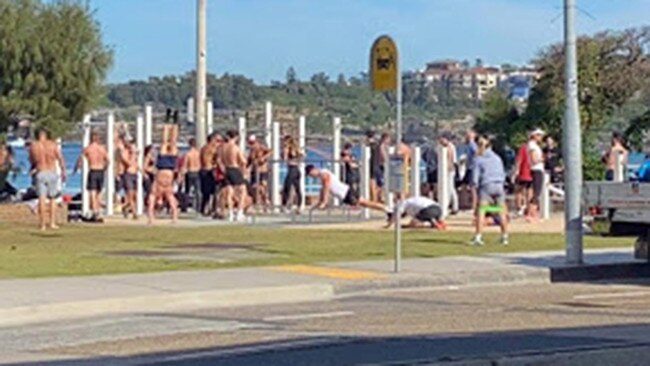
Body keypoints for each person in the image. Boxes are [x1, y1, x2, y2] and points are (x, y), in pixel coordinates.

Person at [470, 136, 508, 246]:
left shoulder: (478, 159)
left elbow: (475, 178)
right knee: (501, 211)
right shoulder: (497, 158)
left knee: (481, 211)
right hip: (499, 186)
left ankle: (478, 237)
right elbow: (502, 173)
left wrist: (474, 188)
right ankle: (504, 236)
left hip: (486, 186)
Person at [305, 164, 388, 213]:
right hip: (344, 195)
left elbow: (326, 186)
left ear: (313, 170)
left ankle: (387, 209)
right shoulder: (321, 177)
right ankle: (387, 210)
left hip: (346, 192)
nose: (311, 176)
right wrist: (317, 204)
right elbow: (323, 191)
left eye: (310, 174)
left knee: (365, 203)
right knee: (366, 204)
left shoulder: (323, 173)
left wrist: (324, 202)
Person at [29, 129, 66, 230]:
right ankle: (52, 222)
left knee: (41, 198)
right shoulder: (52, 145)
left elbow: (32, 160)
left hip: (40, 172)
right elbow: (60, 158)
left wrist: (33, 169)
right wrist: (63, 171)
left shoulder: (34, 146)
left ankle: (42, 224)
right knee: (52, 198)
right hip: (51, 171)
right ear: (46, 135)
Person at [148, 113, 180, 224]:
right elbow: (173, 202)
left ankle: (167, 122)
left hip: (162, 167)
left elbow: (151, 200)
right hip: (169, 169)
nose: (160, 202)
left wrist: (151, 218)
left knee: (165, 143)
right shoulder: (166, 192)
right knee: (172, 143)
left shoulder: (155, 190)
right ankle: (175, 122)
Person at [74, 131, 109, 221]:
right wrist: (104, 168)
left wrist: (76, 168)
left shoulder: (88, 149)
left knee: (92, 193)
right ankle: (98, 211)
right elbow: (108, 161)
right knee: (99, 192)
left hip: (93, 170)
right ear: (98, 139)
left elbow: (80, 159)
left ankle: (95, 212)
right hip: (100, 170)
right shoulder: (102, 149)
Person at [218, 130, 248, 222]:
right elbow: (243, 161)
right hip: (234, 168)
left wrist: (223, 169)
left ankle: (230, 213)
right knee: (243, 191)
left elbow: (219, 160)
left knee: (229, 191)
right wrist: (244, 170)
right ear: (236, 137)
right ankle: (239, 212)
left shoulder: (222, 148)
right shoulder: (235, 147)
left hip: (226, 169)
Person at [247, 135, 271, 211]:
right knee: (254, 187)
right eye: (250, 143)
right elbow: (249, 160)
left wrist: (263, 158)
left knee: (262, 187)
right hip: (254, 170)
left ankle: (266, 203)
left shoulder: (260, 147)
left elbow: (270, 151)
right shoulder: (251, 149)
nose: (251, 144)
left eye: (252, 142)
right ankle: (257, 202)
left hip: (262, 170)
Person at [281, 135, 304, 213]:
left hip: (292, 169)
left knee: (287, 187)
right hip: (297, 169)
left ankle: (285, 206)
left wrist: (285, 153)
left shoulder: (288, 148)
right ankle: (299, 206)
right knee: (297, 189)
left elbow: (284, 158)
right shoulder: (296, 148)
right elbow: (303, 155)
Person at [527, 128, 545, 222]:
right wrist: (542, 159)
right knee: (536, 192)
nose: (540, 137)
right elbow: (534, 160)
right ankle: (531, 214)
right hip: (536, 169)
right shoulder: (532, 145)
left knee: (536, 192)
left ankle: (533, 213)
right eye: (539, 135)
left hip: (537, 169)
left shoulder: (534, 145)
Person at [438, 133, 459, 214]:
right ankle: (452, 206)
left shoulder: (450, 147)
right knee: (449, 188)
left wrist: (449, 168)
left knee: (449, 188)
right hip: (445, 170)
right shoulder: (442, 147)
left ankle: (451, 206)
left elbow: (451, 158)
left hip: (449, 170)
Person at [199, 133, 219, 215]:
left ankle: (204, 208)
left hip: (203, 170)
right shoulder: (211, 148)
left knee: (206, 193)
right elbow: (215, 159)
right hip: (209, 170)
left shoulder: (203, 148)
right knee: (213, 191)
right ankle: (212, 209)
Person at [120, 139, 139, 219]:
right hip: (128, 175)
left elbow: (136, 164)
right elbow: (128, 163)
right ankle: (134, 213)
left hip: (135, 175)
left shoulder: (133, 154)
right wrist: (133, 154)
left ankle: (125, 207)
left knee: (135, 196)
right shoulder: (124, 152)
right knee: (130, 195)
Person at [513, 139, 532, 217]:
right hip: (531, 173)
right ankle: (528, 209)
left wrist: (515, 172)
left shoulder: (523, 148)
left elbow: (519, 160)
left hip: (523, 173)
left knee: (518, 191)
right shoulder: (533, 148)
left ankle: (519, 208)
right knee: (529, 191)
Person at [181, 138, 201, 212]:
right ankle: (199, 207)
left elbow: (185, 165)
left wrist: (182, 174)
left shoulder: (188, 154)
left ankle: (185, 206)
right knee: (198, 191)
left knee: (187, 191)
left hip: (190, 172)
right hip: (197, 172)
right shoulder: (198, 153)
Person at [462, 129, 478, 211]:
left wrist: (473, 161)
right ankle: (466, 204)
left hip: (472, 168)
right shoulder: (469, 145)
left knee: (472, 188)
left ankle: (473, 206)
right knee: (464, 185)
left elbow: (476, 153)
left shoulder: (472, 145)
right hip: (469, 168)